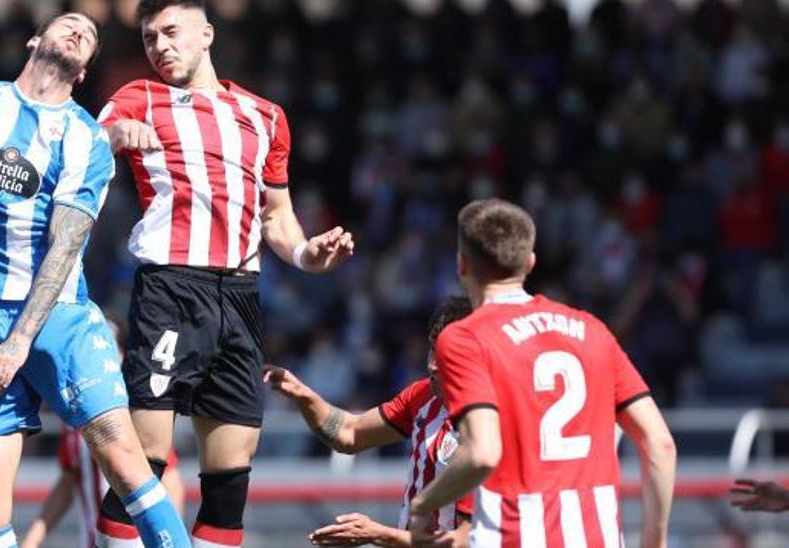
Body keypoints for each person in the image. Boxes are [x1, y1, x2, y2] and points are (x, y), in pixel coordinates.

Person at [0, 11, 191, 548]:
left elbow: (65, 244)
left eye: (89, 37)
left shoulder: (84, 137)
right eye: (68, 23)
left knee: (124, 461)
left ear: (87, 69)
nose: (78, 31)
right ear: (34, 39)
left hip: (59, 319)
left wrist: (21, 339)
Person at [94, 2, 354, 546]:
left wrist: (310, 255)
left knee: (230, 476)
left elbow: (278, 219)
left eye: (170, 32)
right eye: (149, 38)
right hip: (171, 287)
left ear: (206, 34)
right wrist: (115, 139)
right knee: (141, 462)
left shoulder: (265, 116)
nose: (160, 46)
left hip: (239, 295)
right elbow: (91, 144)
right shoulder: (137, 98)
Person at [406, 199, 677, 548]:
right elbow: (660, 444)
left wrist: (422, 504)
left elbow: (482, 453)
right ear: (530, 262)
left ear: (462, 264)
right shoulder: (592, 330)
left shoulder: (464, 338)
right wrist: (654, 543)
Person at [265, 296, 475, 548]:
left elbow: (466, 542)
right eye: (432, 349)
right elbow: (349, 433)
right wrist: (303, 395)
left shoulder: (486, 426)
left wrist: (378, 534)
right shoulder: (421, 397)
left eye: (444, 355)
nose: (431, 365)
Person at [20, 426, 186, 548]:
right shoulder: (72, 428)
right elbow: (66, 484)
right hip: (95, 541)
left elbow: (171, 482)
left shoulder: (134, 420)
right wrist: (32, 540)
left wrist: (165, 540)